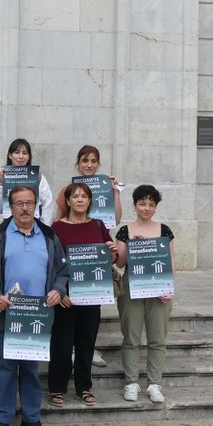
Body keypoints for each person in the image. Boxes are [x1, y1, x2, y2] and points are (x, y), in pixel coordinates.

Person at [0, 185, 69, 426]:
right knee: (5, 369)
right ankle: (2, 419)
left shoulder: (49, 236)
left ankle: (31, 418)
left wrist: (58, 290)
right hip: (7, 314)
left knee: (30, 369)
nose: (25, 208)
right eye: (19, 203)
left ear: (36, 206)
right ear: (11, 207)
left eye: (29, 203)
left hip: (37, 316)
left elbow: (62, 272)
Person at [48, 183, 117, 407]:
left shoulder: (98, 226)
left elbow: (109, 259)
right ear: (67, 201)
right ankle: (57, 388)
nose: (79, 200)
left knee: (86, 342)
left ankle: (83, 387)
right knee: (61, 343)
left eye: (84, 196)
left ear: (89, 201)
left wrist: (113, 253)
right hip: (66, 296)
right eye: (75, 196)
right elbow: (51, 263)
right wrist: (58, 291)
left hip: (92, 295)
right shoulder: (57, 227)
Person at [55, 144, 123, 368]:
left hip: (96, 247)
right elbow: (59, 220)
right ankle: (73, 350)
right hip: (73, 254)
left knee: (91, 309)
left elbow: (116, 219)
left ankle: (87, 350)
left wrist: (115, 191)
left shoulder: (105, 188)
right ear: (78, 163)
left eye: (93, 161)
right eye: (85, 160)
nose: (89, 165)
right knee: (70, 315)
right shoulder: (67, 190)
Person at [116, 185, 174, 404]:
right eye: (142, 204)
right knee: (131, 336)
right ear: (134, 205)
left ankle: (154, 383)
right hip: (132, 286)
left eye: (151, 204)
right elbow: (120, 263)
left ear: (156, 207)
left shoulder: (164, 230)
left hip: (159, 287)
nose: (146, 208)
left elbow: (170, 262)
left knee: (157, 338)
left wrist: (168, 288)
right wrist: (133, 246)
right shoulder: (125, 231)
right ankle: (131, 382)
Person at [0, 138, 55, 225]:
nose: (21, 156)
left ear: (29, 156)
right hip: (9, 226)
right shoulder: (0, 176)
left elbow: (47, 205)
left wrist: (45, 228)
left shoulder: (37, 177)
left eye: (25, 153)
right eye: (17, 152)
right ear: (10, 155)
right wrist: (0, 183)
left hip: (34, 226)